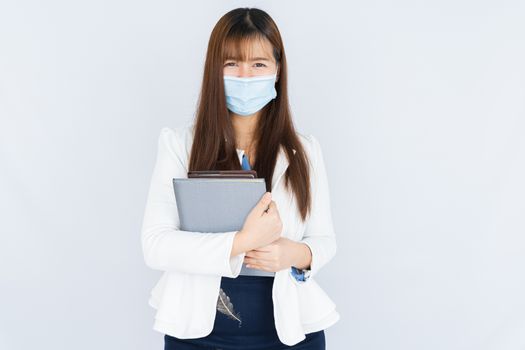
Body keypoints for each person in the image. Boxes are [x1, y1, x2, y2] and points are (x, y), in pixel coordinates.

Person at [141, 7, 340, 349]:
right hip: (199, 334)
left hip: (291, 333)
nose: (245, 76)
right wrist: (242, 242)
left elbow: (324, 240)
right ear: (213, 71)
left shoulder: (305, 151)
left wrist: (295, 253)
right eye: (231, 63)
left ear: (278, 71)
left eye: (259, 64)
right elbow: (156, 246)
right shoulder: (179, 145)